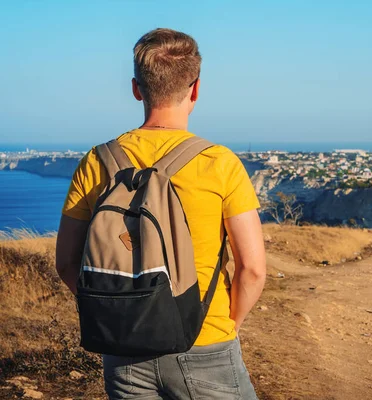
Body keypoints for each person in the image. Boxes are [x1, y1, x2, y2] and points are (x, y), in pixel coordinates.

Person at [55, 28, 266, 399]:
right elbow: (252, 269)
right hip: (206, 341)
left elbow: (67, 264)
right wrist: (226, 325)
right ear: (195, 89)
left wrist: (115, 313)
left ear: (137, 88)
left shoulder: (96, 161)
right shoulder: (219, 163)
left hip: (123, 349)